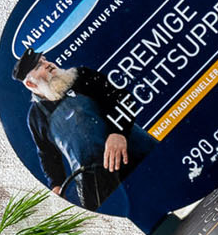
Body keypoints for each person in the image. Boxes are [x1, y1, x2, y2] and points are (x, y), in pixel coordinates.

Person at [11, 48, 144, 210]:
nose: (48, 64)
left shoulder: (81, 76)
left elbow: (124, 99)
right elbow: (47, 154)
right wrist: (56, 184)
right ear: (30, 84)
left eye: (45, 60)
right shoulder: (36, 117)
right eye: (39, 65)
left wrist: (118, 132)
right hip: (98, 181)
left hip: (135, 152)